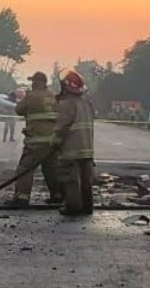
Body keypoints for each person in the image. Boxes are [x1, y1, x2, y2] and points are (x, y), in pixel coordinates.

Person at [6, 73, 64, 207]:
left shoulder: (31, 96)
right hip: (52, 142)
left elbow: (19, 110)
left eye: (34, 81)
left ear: (40, 82)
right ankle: (57, 195)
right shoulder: (52, 96)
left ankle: (22, 198)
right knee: (51, 169)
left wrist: (22, 100)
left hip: (36, 142)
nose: (33, 84)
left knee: (25, 168)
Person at [54, 68, 96, 217]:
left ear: (66, 87)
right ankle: (87, 207)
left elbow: (61, 126)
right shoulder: (87, 104)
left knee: (71, 180)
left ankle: (73, 207)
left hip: (71, 150)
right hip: (87, 149)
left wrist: (55, 142)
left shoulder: (67, 104)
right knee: (86, 182)